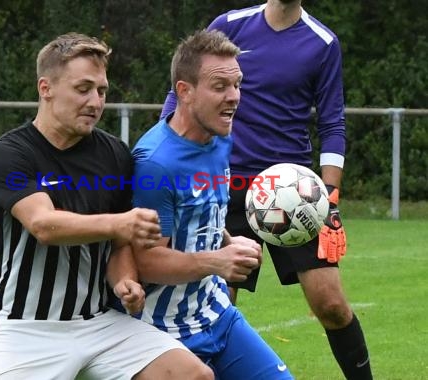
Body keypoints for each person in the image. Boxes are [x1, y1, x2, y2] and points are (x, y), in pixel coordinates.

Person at [0, 32, 214, 380]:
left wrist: (124, 281)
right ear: (46, 88)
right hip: (25, 328)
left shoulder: (114, 154)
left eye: (101, 91)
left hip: (98, 323)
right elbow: (43, 225)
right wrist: (120, 223)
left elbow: (120, 245)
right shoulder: (12, 153)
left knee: (193, 375)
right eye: (83, 88)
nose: (95, 101)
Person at [160, 1, 373, 379]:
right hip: (224, 185)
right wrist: (168, 154)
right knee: (217, 305)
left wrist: (331, 196)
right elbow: (182, 95)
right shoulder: (230, 25)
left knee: (332, 305)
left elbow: (332, 121)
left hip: (294, 193)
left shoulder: (323, 43)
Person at [127, 29, 293, 380]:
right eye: (220, 87)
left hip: (216, 313)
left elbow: (203, 212)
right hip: (161, 329)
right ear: (184, 92)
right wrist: (217, 262)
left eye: (238, 85)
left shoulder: (221, 136)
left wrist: (230, 243)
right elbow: (145, 262)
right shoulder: (156, 164)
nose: (234, 97)